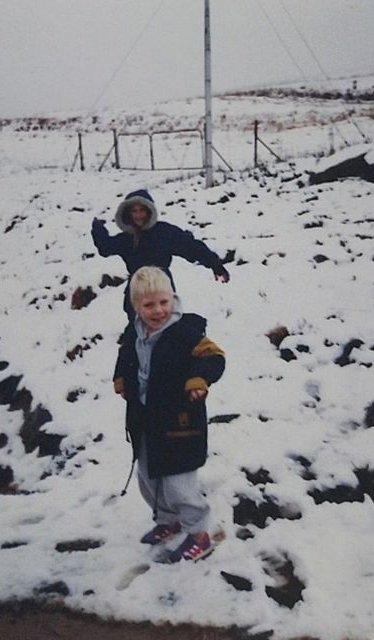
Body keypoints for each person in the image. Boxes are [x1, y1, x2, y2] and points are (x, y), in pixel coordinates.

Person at [113, 266, 225, 562]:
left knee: (179, 483)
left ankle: (199, 533)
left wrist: (199, 379)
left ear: (173, 299)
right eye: (149, 305)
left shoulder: (184, 334)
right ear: (136, 306)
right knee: (150, 477)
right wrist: (121, 378)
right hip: (145, 421)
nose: (158, 310)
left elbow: (215, 357)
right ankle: (168, 520)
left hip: (179, 422)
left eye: (164, 302)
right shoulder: (134, 333)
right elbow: (125, 357)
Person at [92, 189, 230, 319]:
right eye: (134, 211)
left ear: (149, 211)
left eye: (142, 210)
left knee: (167, 327)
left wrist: (214, 263)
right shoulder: (125, 238)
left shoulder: (164, 232)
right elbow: (106, 248)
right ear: (128, 213)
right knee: (137, 330)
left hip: (162, 287)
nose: (138, 215)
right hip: (137, 290)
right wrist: (98, 229)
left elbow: (191, 247)